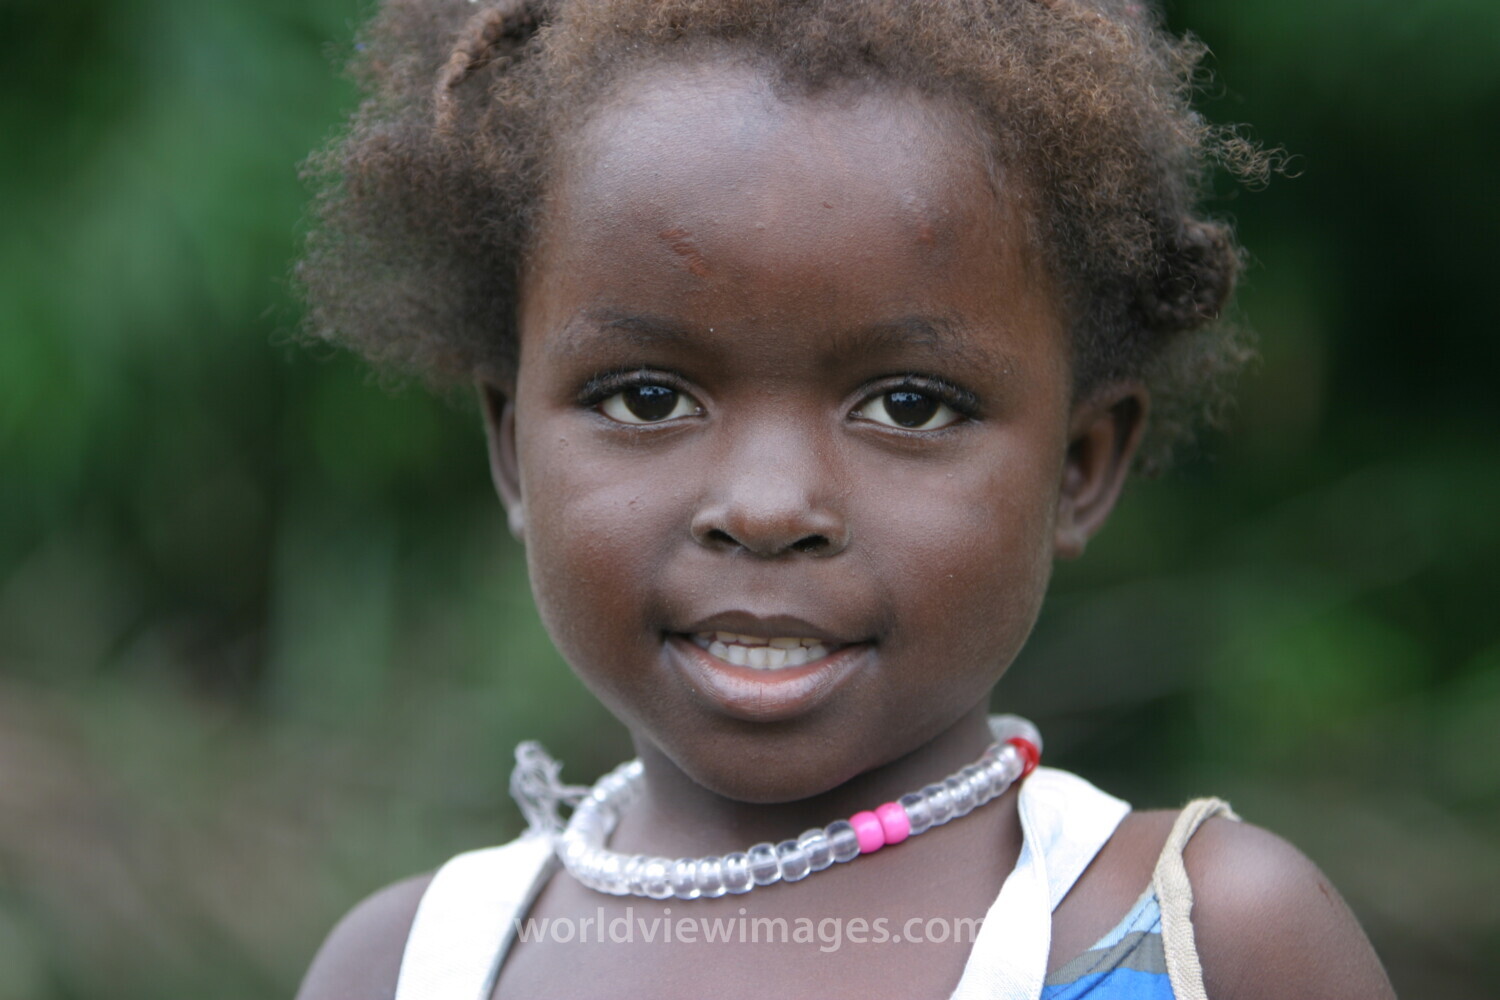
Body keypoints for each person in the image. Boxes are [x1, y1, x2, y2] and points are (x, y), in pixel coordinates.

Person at [293, 0, 1397, 996]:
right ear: (511, 449)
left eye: (910, 407)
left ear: (1081, 462)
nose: (769, 508)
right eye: (644, 395)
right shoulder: (407, 967)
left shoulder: (1197, 940)